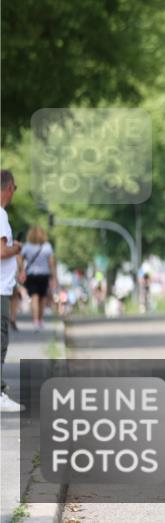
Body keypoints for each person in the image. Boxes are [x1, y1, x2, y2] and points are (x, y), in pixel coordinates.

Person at [0, 170, 24, 412]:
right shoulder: (0, 215)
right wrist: (16, 248)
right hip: (0, 290)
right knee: (0, 339)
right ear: (8, 188)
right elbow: (1, 252)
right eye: (14, 189)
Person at [18, 226, 56, 331]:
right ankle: (40, 320)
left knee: (34, 297)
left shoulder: (27, 246)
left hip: (31, 275)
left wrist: (21, 270)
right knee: (42, 298)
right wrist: (54, 277)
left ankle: (35, 321)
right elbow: (52, 263)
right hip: (44, 275)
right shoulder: (47, 246)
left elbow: (20, 258)